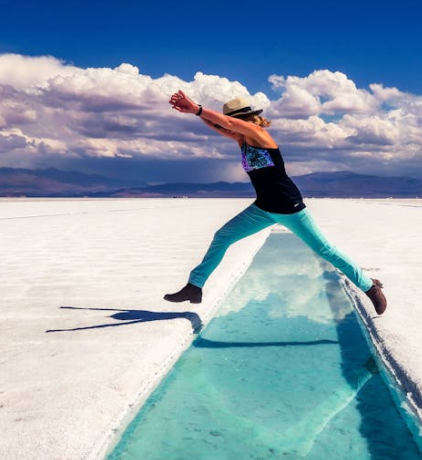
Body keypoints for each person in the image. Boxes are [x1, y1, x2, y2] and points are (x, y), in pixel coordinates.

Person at [163, 90, 387, 315]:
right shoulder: (241, 139)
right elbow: (217, 126)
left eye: (232, 122)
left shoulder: (257, 133)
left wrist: (197, 109)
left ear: (242, 119)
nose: (227, 127)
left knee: (325, 250)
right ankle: (195, 287)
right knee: (223, 236)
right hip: (263, 208)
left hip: (288, 206)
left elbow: (226, 122)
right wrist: (195, 112)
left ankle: (369, 287)